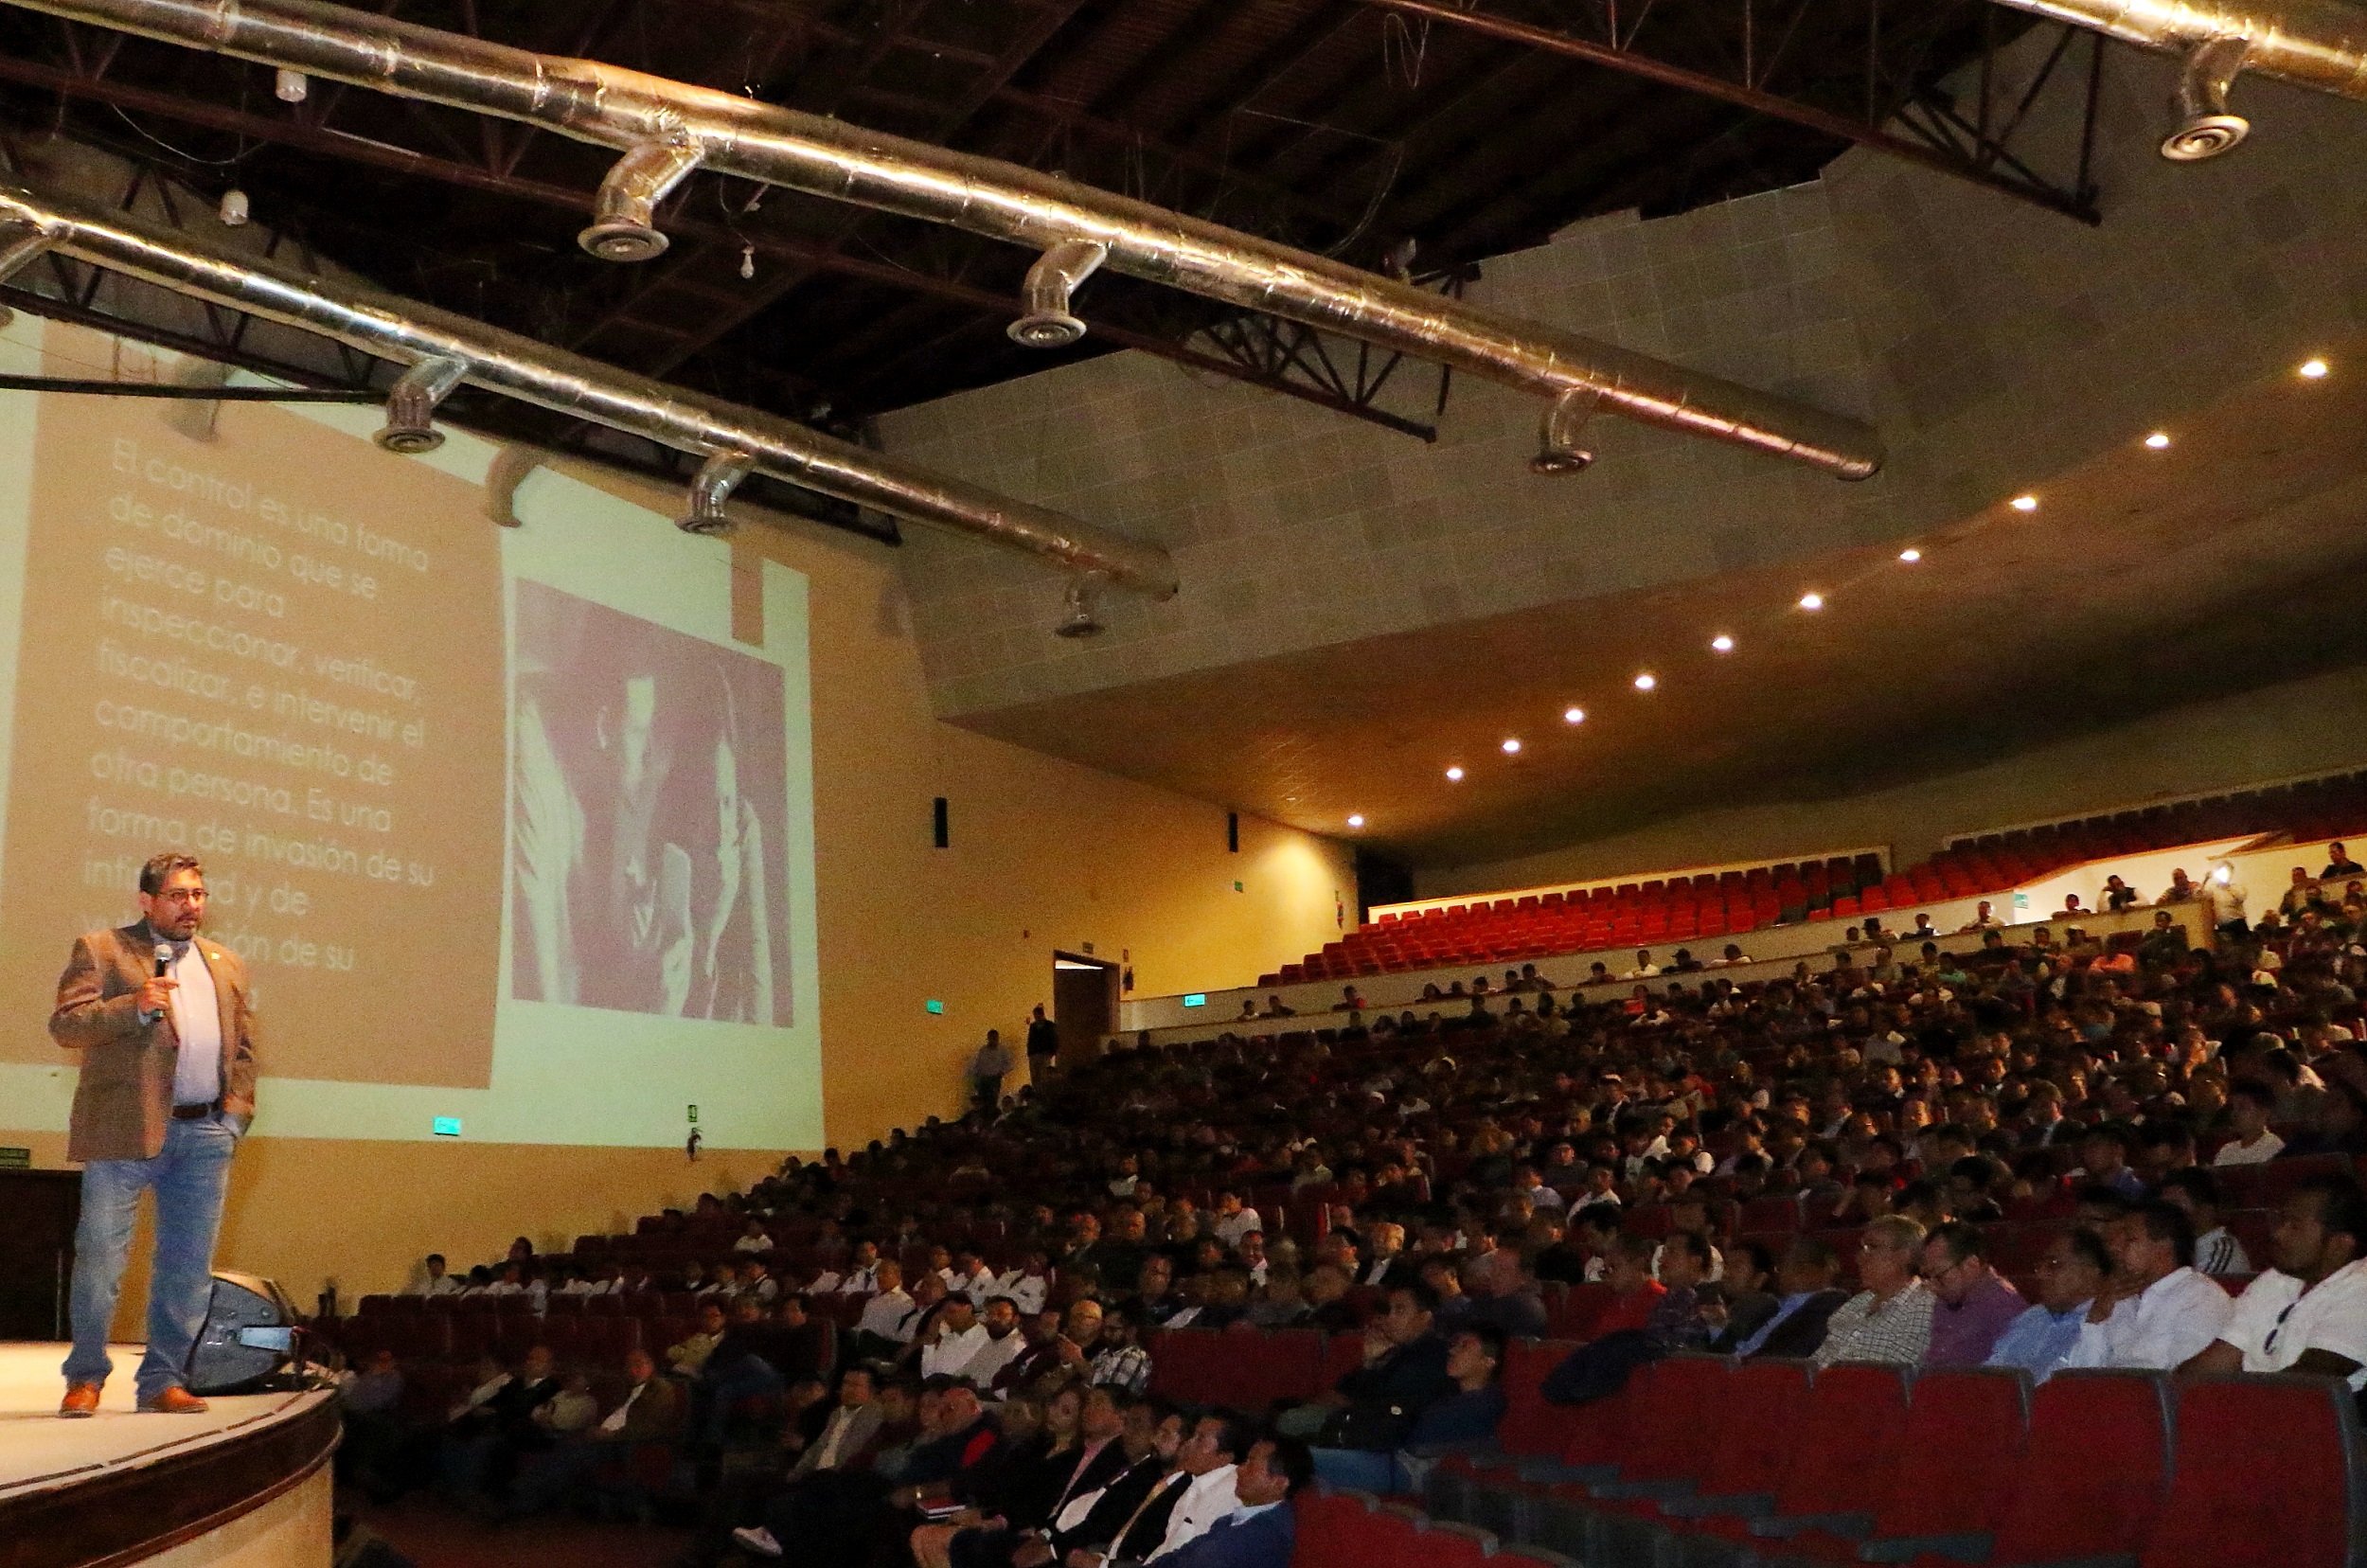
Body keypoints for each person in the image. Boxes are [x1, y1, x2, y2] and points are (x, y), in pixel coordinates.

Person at [54, 851, 259, 1418]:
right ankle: (86, 1377)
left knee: (187, 1269)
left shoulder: (227, 963)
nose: (190, 905)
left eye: (198, 894)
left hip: (204, 1135)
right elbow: (66, 1025)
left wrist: (234, 1115)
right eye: (177, 895)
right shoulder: (103, 949)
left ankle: (163, 1380)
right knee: (100, 1261)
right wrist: (132, 1006)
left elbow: (242, 1047)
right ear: (147, 901)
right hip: (122, 1133)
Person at [2183, 1174, 2367, 1386]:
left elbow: (2310, 1383)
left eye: (2295, 1226)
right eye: (2282, 1221)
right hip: (2257, 1407)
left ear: (2340, 1244)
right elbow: (2220, 1358)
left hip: (2314, 1415)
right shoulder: (2274, 1279)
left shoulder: (2361, 1287)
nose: (2278, 1234)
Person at [2073, 1200, 2231, 1370]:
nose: (2117, 1248)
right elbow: (2081, 1373)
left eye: (2130, 1240)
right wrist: (2097, 1315)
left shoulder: (2201, 1298)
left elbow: (2186, 1380)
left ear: (2164, 1246)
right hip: (2108, 1393)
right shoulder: (2118, 1298)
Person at [1150, 1438, 1308, 1568]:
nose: (1239, 1470)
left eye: (1250, 1464)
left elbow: (1200, 1562)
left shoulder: (1266, 1534)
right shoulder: (1232, 1519)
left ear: (1279, 1482)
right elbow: (1182, 1554)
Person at [1985, 1229, 2111, 1382]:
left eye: (2053, 1265)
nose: (2041, 1275)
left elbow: (2073, 1384)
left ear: (2090, 1273)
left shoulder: (2103, 1323)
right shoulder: (2033, 1317)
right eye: (2040, 1267)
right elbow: (1993, 1370)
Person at [1811, 1217, 1934, 1369]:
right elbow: (1817, 1362)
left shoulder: (1923, 1307)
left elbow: (1896, 1375)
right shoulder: (1855, 1304)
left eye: (1873, 1247)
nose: (1860, 1258)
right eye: (1862, 1248)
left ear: (1904, 1256)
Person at [1920, 1222, 2026, 1367]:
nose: (1933, 1286)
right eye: (1928, 1276)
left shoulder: (2003, 1305)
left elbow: (2007, 1376)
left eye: (1939, 1275)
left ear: (1971, 1264)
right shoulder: (1946, 1299)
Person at [973, 1031, 1017, 1108]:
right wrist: (977, 1077)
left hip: (995, 1079)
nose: (993, 1039)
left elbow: (1010, 1064)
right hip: (983, 1079)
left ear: (997, 1038)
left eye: (995, 1038)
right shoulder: (983, 1050)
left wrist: (1002, 1072)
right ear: (988, 1038)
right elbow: (978, 1064)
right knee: (981, 1101)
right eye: (991, 1037)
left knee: (992, 1101)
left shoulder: (1002, 1050)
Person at [1025, 1006, 1060, 1080]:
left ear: (1041, 1014)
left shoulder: (1050, 1026)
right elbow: (1030, 1040)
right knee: (1034, 1075)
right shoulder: (1033, 1026)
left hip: (1045, 1053)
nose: (1035, 1017)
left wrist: (1052, 1052)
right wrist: (1029, 1053)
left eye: (1036, 1015)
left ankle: (1043, 1090)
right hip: (1034, 1053)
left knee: (1044, 1075)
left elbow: (1055, 1039)